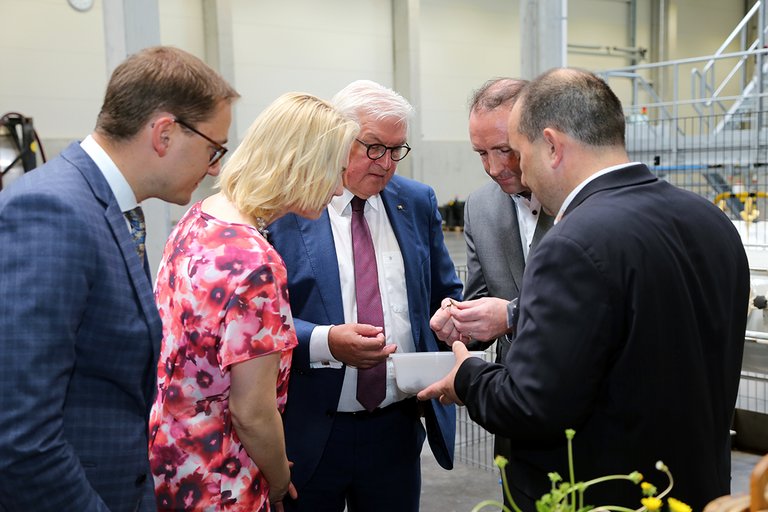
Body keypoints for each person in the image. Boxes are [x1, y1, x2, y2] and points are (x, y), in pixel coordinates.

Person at [419, 68, 750, 511]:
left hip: (599, 489)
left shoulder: (573, 242)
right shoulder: (712, 221)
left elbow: (532, 404)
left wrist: (468, 377)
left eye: (517, 152)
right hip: (691, 485)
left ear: (552, 146)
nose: (516, 173)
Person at [0, 46, 239, 511]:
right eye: (214, 150)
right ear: (165, 133)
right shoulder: (53, 212)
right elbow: (20, 433)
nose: (214, 168)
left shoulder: (107, 208)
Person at [148, 92, 359, 512]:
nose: (338, 189)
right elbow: (252, 411)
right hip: (220, 475)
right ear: (301, 165)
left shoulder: (199, 217)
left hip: (171, 456)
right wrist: (279, 478)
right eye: (335, 172)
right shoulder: (257, 262)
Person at [268, 79, 463, 512]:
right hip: (309, 427)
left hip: (395, 426)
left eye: (397, 149)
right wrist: (325, 341)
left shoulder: (414, 201)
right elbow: (261, 320)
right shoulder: (287, 207)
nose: (387, 162)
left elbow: (441, 291)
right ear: (336, 138)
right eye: (373, 147)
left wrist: (450, 313)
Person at [429, 77, 553, 506]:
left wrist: (512, 314)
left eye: (505, 150)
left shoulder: (582, 202)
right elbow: (483, 300)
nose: (493, 167)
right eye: (481, 153)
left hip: (583, 414)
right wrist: (459, 322)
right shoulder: (481, 206)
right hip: (513, 417)